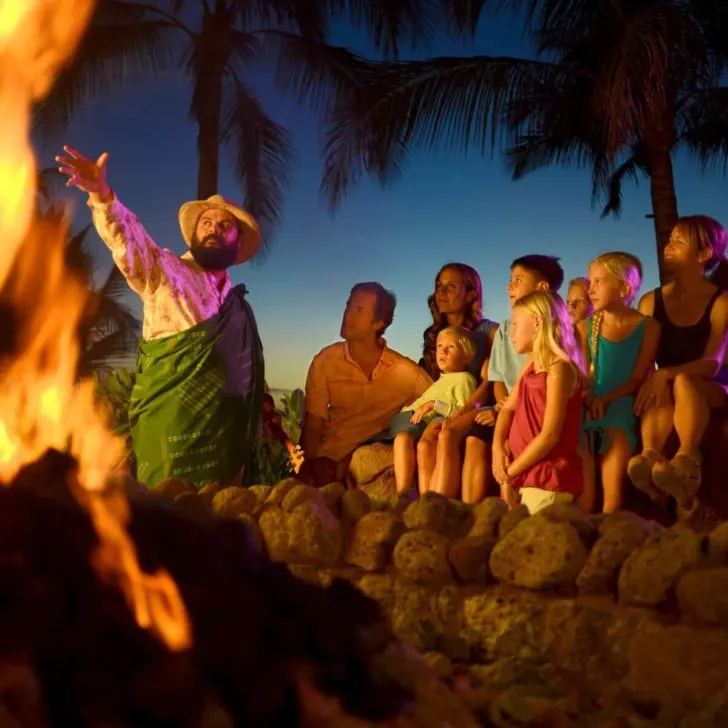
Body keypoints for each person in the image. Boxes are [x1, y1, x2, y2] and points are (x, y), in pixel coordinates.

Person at [56, 146, 265, 489]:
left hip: (226, 447)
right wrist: (102, 196)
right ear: (195, 234)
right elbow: (129, 243)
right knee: (165, 524)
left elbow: (246, 378)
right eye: (206, 223)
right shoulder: (165, 272)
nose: (212, 229)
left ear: (236, 240)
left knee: (221, 526)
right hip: (170, 433)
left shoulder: (238, 307)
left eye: (223, 225)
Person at [629, 216, 728, 510]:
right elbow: (645, 360)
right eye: (669, 240)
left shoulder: (721, 301)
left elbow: (712, 363)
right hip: (669, 386)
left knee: (680, 382)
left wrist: (666, 374)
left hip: (713, 386)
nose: (668, 247)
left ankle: (686, 460)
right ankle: (650, 457)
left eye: (678, 242)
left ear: (704, 254)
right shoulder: (650, 301)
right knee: (662, 384)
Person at [300, 282, 432, 486]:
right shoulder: (326, 360)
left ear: (378, 322)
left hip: (371, 468)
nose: (348, 315)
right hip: (326, 464)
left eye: (359, 310)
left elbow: (442, 402)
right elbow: (313, 425)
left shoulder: (405, 372)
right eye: (348, 306)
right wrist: (307, 469)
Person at [578, 253, 660, 512]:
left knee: (616, 443)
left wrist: (607, 399)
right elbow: (581, 375)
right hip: (588, 403)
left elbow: (638, 378)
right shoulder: (584, 327)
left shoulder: (648, 327)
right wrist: (590, 397)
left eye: (599, 282)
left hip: (621, 403)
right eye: (590, 282)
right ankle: (583, 515)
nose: (591, 289)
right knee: (580, 444)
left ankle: (611, 520)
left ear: (624, 288)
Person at [492, 291, 586, 514]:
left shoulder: (559, 369)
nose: (510, 331)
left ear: (536, 322)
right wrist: (498, 446)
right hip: (522, 475)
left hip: (547, 479)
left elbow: (549, 435)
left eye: (515, 323)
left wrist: (508, 473)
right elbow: (508, 408)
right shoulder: (532, 366)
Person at [416, 264, 498, 502]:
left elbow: (489, 381)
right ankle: (426, 504)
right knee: (426, 440)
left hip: (475, 407)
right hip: (444, 406)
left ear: (471, 293)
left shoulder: (489, 332)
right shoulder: (436, 336)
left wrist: (464, 411)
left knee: (447, 434)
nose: (441, 292)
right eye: (438, 286)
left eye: (451, 286)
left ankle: (440, 505)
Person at [390, 327, 477, 494]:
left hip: (423, 421)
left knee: (403, 438)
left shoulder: (465, 379)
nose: (443, 351)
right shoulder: (440, 380)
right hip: (409, 416)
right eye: (439, 346)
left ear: (466, 355)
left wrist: (434, 405)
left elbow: (461, 413)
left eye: (451, 347)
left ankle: (404, 492)